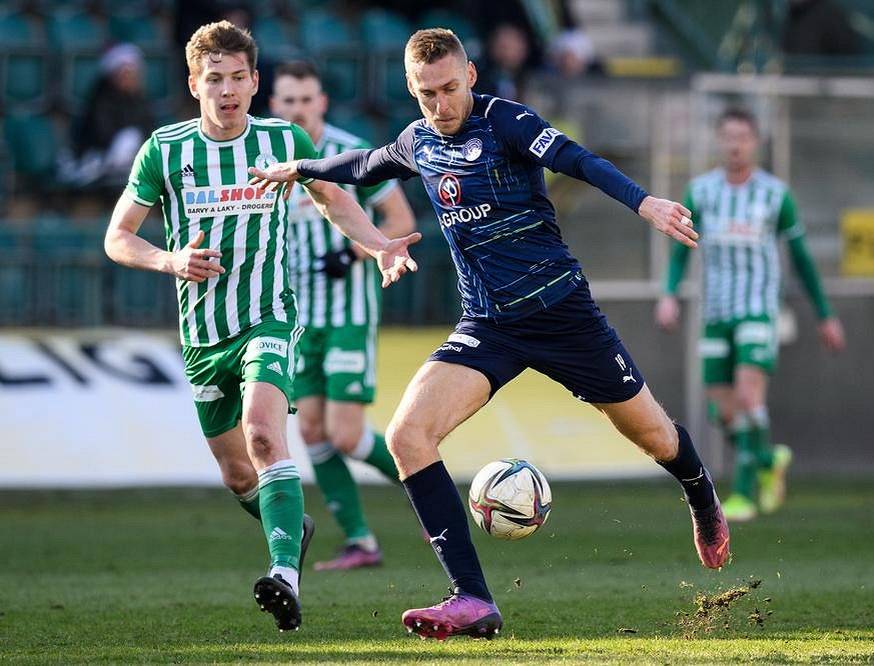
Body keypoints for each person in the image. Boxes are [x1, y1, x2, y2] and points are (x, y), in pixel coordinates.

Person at [249, 28, 729, 641]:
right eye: (427, 93)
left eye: (450, 88)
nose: (440, 104)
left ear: (471, 75)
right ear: (412, 88)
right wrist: (300, 169)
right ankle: (472, 598)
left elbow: (578, 160)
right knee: (407, 436)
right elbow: (363, 167)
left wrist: (644, 203)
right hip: (488, 325)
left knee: (656, 437)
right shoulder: (418, 140)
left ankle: (699, 491)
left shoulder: (507, 122)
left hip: (562, 315)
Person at [103, 21, 420, 632]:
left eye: (236, 78)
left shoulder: (281, 139)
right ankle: (291, 525)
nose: (226, 90)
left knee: (265, 436)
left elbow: (333, 199)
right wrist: (170, 260)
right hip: (203, 335)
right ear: (193, 84)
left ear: (254, 82)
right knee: (237, 473)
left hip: (268, 317)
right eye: (213, 79)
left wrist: (379, 244)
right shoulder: (165, 150)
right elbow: (118, 237)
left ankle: (284, 575)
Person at [655, 108, 845, 523]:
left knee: (747, 397)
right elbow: (679, 249)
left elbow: (801, 258)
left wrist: (825, 314)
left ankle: (743, 494)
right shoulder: (701, 192)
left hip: (758, 310)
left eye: (742, 137)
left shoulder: (776, 196)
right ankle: (767, 458)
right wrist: (670, 294)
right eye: (728, 137)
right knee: (722, 413)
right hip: (716, 311)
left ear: (755, 143)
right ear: (719, 141)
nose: (735, 145)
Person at [270, 60, 417, 569]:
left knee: (347, 434)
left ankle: (428, 491)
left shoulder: (350, 154)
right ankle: (360, 541)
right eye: (289, 101)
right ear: (275, 105)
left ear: (322, 103)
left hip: (349, 313)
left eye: (306, 100)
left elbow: (400, 219)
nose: (298, 109)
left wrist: (351, 253)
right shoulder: (266, 158)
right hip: (297, 320)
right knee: (312, 432)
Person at [67, 43, 155, 190]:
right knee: (128, 138)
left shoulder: (139, 99)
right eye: (125, 73)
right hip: (99, 154)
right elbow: (101, 134)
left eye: (133, 73)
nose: (130, 78)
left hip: (130, 157)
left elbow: (148, 128)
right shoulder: (100, 99)